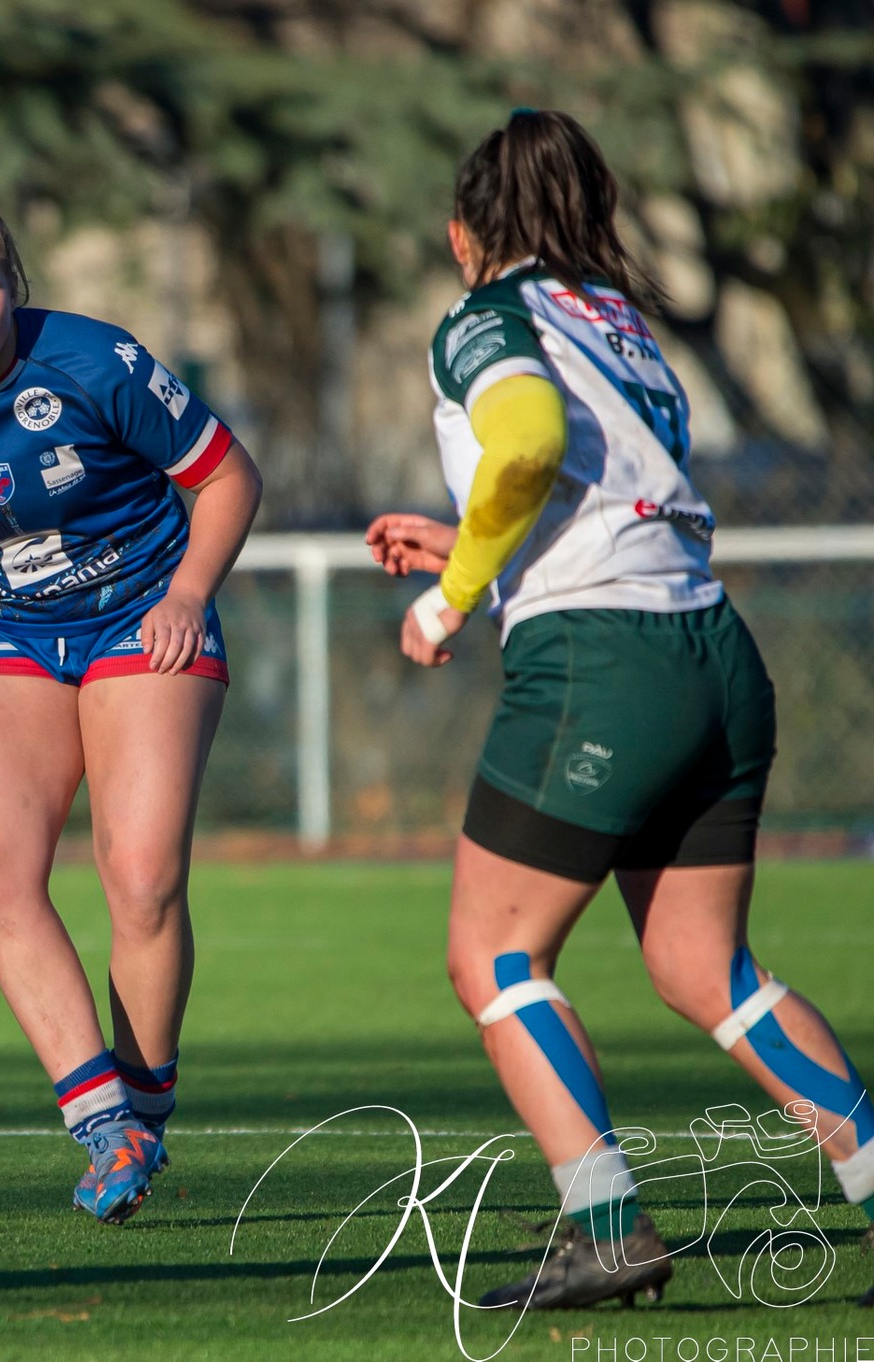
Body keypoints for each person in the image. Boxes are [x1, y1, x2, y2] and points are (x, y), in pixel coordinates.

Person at [367, 109, 874, 1310]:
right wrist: (473, 547)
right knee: (707, 968)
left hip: (604, 660)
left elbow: (527, 445)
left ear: (461, 233)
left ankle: (607, 1230)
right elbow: (610, 494)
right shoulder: (617, 322)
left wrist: (449, 596)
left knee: (494, 959)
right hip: (711, 651)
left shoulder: (482, 317)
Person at [0, 182, 262, 1224]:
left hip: (142, 613)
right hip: (9, 632)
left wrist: (188, 594)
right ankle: (103, 1124)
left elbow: (227, 477)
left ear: (15, 288)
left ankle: (146, 1103)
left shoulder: (93, 362)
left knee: (141, 879)